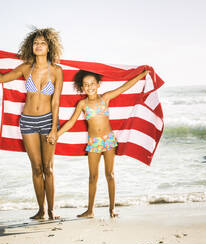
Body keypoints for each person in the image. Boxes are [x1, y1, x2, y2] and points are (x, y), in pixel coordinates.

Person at [0, 28, 63, 220]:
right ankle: (41, 210)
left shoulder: (57, 71)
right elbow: (0, 79)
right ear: (31, 46)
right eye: (35, 43)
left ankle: (51, 211)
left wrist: (54, 129)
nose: (38, 45)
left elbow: (56, 101)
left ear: (49, 46)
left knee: (48, 168)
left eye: (42, 43)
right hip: (27, 122)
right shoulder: (27, 68)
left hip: (48, 120)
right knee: (36, 168)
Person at [54, 69, 149, 218]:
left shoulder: (105, 98)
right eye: (86, 84)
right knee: (92, 177)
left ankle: (112, 209)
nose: (90, 86)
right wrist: (57, 135)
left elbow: (124, 87)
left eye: (92, 83)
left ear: (98, 85)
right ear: (82, 87)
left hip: (109, 140)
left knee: (110, 174)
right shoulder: (82, 104)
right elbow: (71, 122)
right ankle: (90, 210)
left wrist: (141, 75)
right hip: (94, 143)